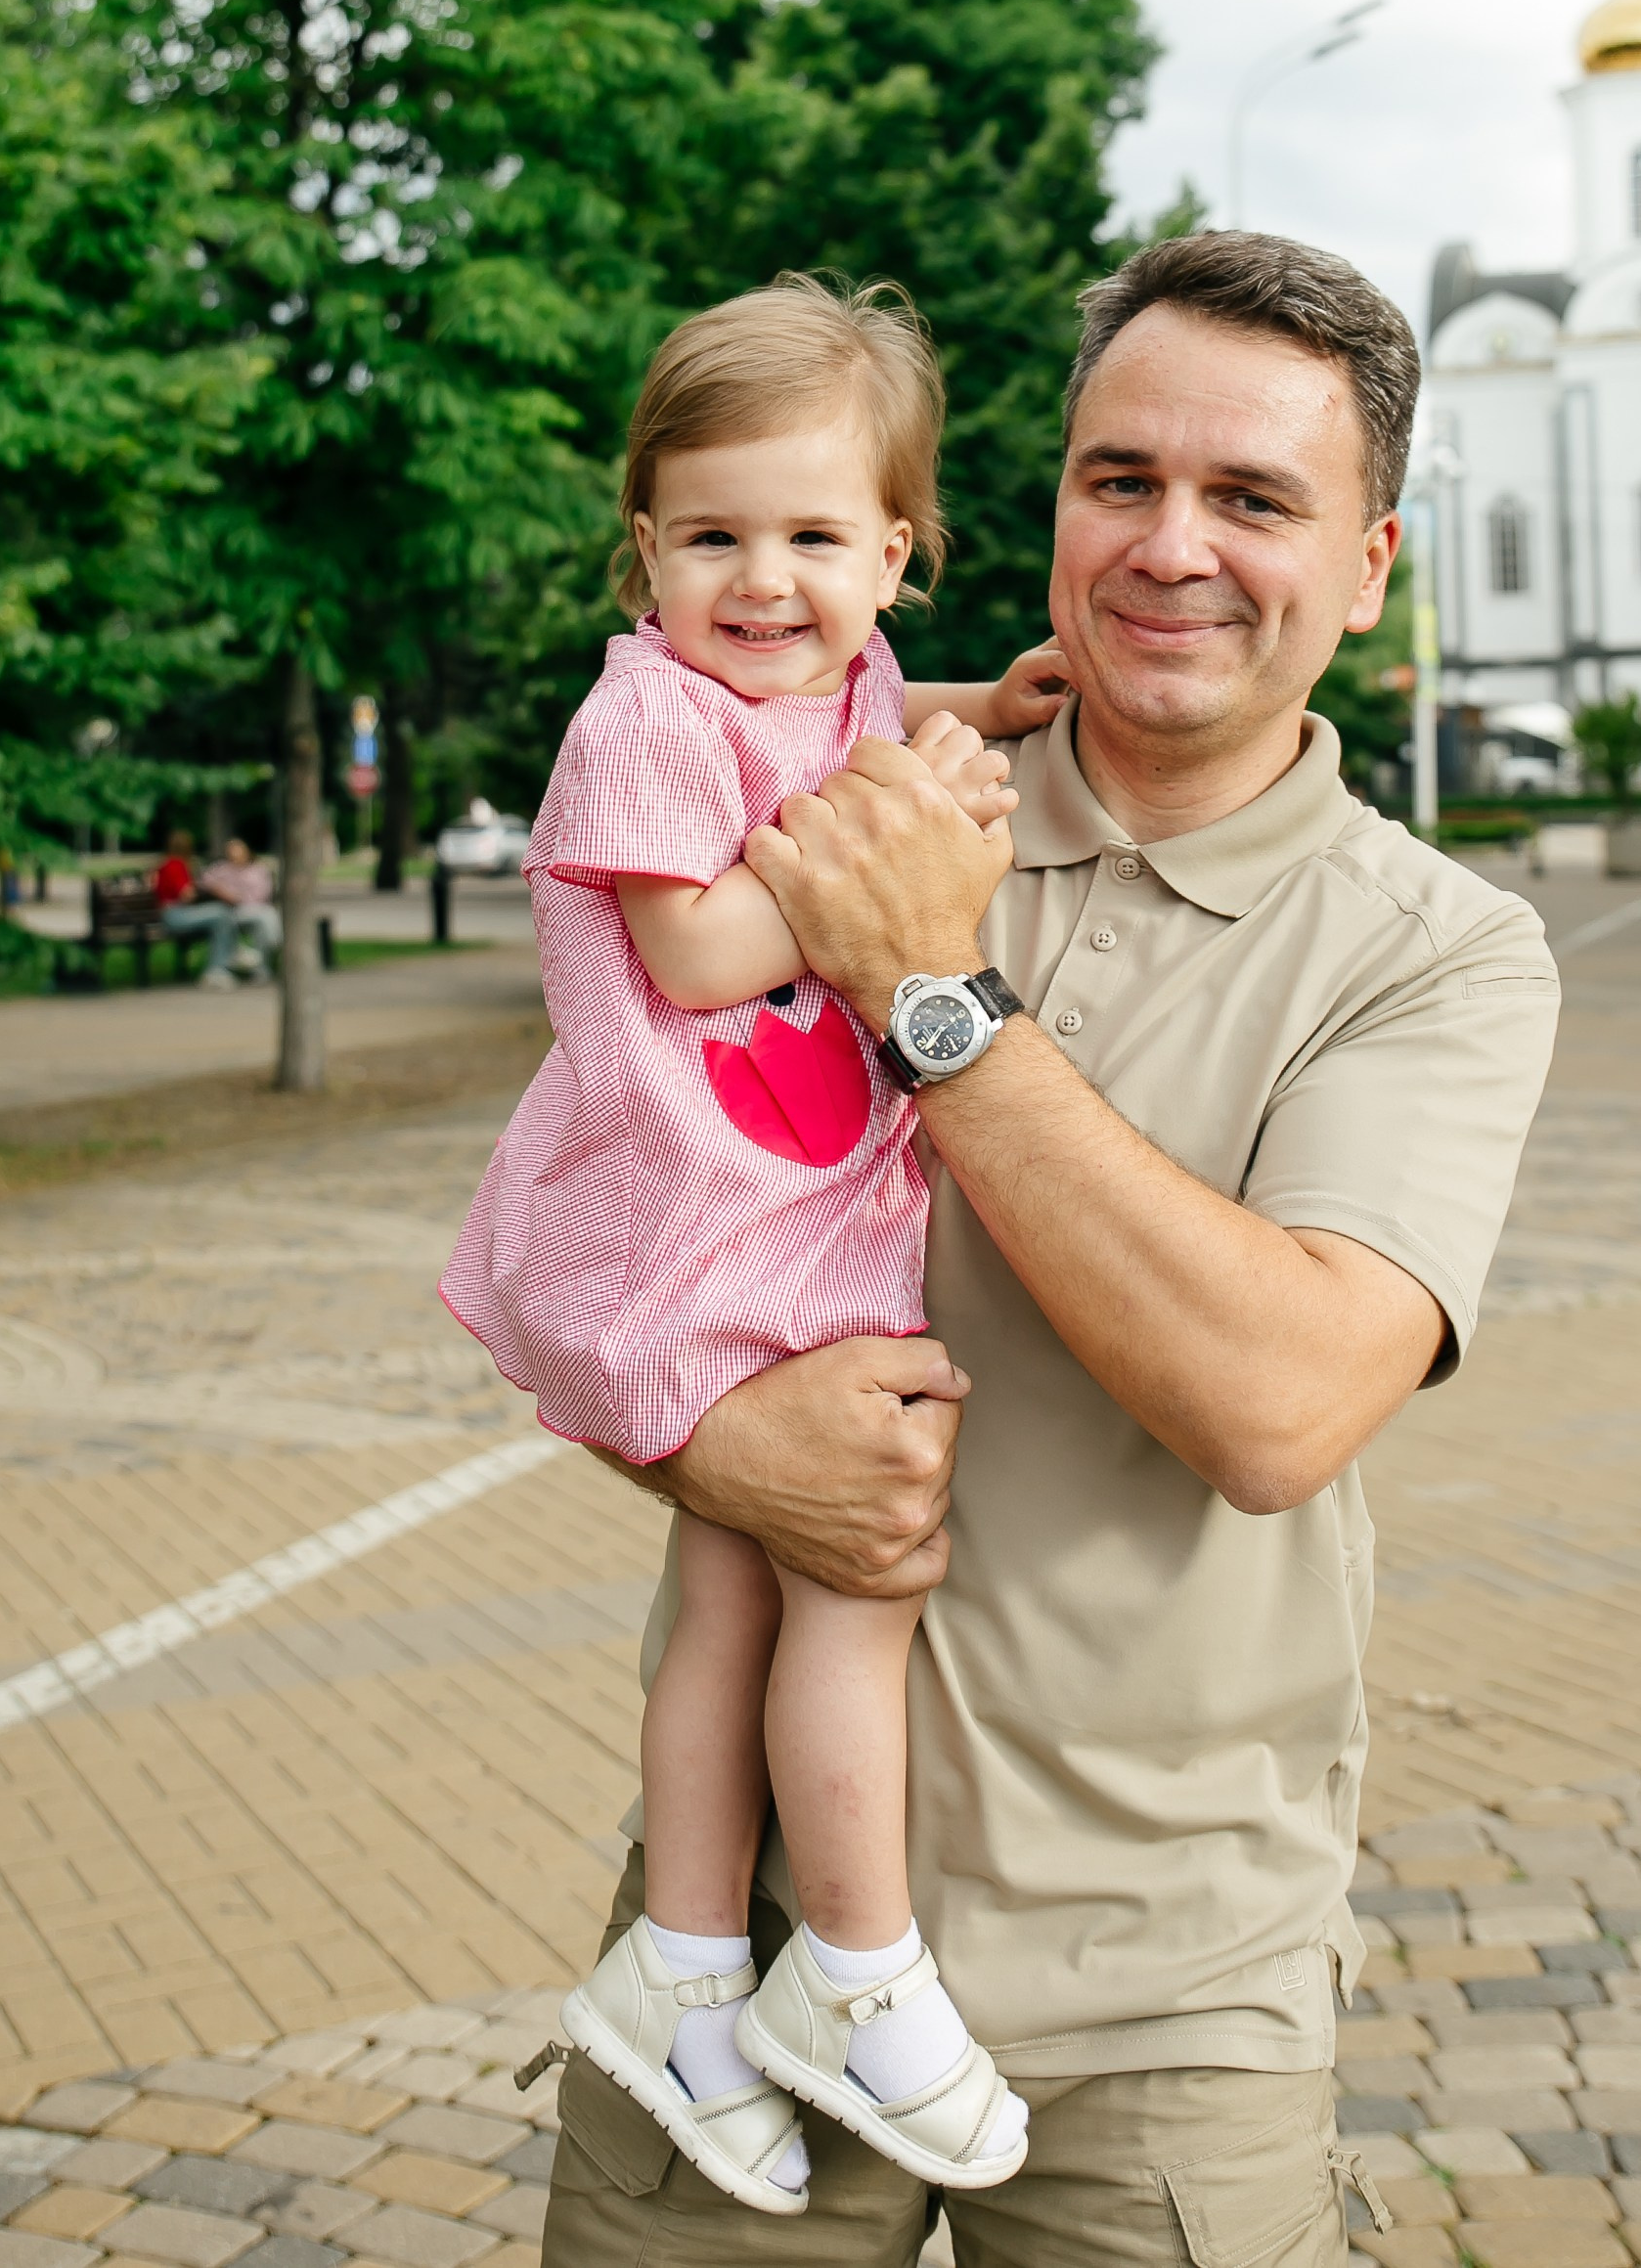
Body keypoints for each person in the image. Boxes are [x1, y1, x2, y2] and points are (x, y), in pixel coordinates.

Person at [541, 231, 1562, 2268]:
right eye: (1120, 480)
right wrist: (707, 1451)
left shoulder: (1435, 956)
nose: (1169, 546)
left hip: (1164, 1992)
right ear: (1045, 513)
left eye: (1252, 498)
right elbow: (597, 1237)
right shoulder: (833, 805)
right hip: (744, 1961)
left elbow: (1275, 1409)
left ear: (1364, 566)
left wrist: (931, 992)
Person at [442, 280, 1065, 2216]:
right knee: (858, 1578)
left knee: (732, 1610)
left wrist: (973, 714)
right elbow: (703, 947)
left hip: (779, 1220)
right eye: (711, 535)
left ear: (894, 551)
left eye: (813, 537)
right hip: (715, 1232)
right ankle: (857, 1980)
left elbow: (859, 723)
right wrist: (905, 835)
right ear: (643, 549)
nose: (763, 580)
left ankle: (692, 1974)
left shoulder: (849, 690)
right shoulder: (646, 716)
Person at [165, 836, 282, 988]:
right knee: (223, 915)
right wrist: (219, 891)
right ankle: (231, 958)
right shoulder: (184, 866)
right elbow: (189, 892)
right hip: (186, 914)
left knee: (259, 917)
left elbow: (262, 895)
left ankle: (252, 961)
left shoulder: (258, 869)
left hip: (251, 908)